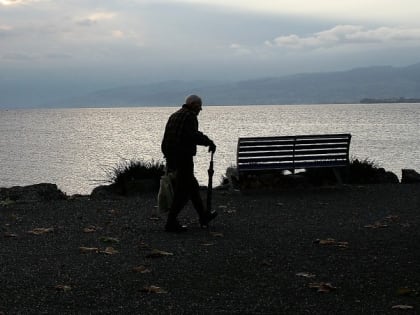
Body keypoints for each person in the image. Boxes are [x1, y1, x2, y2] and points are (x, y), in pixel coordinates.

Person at [161, 94, 218, 233]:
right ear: (193, 104)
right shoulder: (190, 117)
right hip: (183, 157)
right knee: (183, 191)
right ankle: (171, 222)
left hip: (172, 157)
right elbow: (193, 135)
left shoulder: (174, 115)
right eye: (199, 106)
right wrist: (209, 142)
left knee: (192, 187)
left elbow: (166, 138)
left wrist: (168, 157)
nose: (201, 109)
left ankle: (203, 216)